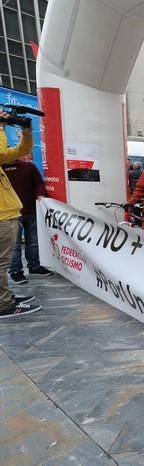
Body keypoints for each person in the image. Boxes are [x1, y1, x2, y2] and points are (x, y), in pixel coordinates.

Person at [0, 112, 42, 318]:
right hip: (1, 216)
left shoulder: (24, 164)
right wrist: (0, 126)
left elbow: (21, 150)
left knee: (3, 262)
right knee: (2, 263)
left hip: (7, 213)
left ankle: (4, 296)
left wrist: (26, 131)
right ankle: (3, 304)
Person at [2, 154, 52, 284]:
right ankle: (15, 271)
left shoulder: (29, 167)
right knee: (15, 245)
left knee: (34, 242)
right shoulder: (1, 169)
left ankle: (35, 267)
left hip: (31, 211)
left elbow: (39, 183)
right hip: (11, 214)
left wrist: (40, 194)